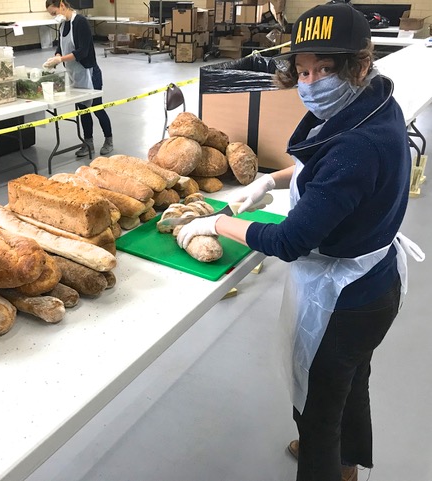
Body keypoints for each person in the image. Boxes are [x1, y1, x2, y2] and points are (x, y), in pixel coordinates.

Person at [176, 3, 424, 481]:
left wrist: (220, 224)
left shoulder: (359, 143)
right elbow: (326, 166)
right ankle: (346, 465)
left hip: (348, 298)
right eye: (303, 69)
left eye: (325, 69)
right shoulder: (373, 103)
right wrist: (272, 181)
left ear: (360, 64)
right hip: (375, 282)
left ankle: (325, 460)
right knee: (351, 382)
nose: (309, 81)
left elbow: (291, 239)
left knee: (320, 408)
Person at [44, 0, 113, 157]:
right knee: (82, 110)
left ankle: (109, 140)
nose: (54, 17)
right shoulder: (62, 25)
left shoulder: (80, 22)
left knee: (97, 108)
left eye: (54, 13)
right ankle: (88, 143)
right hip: (75, 74)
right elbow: (60, 47)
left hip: (89, 72)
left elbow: (82, 52)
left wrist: (61, 60)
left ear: (62, 5)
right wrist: (56, 57)